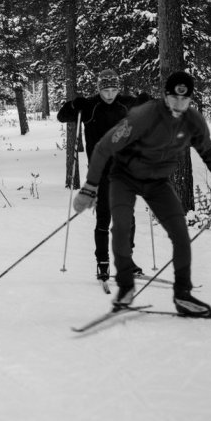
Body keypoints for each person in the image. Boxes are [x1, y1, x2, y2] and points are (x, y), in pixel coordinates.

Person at [73, 71, 211, 316]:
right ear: (165, 96)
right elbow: (103, 147)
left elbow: (209, 152)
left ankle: (183, 296)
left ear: (190, 99)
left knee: (180, 234)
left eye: (184, 100)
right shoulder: (144, 115)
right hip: (124, 178)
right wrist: (89, 188)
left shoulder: (192, 121)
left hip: (157, 182)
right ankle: (125, 288)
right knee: (121, 227)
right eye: (174, 98)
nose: (178, 104)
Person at [58, 68, 151, 283]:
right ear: (99, 89)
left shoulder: (125, 103)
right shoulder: (90, 106)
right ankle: (102, 262)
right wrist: (73, 105)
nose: (110, 94)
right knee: (104, 216)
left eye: (113, 89)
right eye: (106, 90)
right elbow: (62, 116)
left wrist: (148, 100)